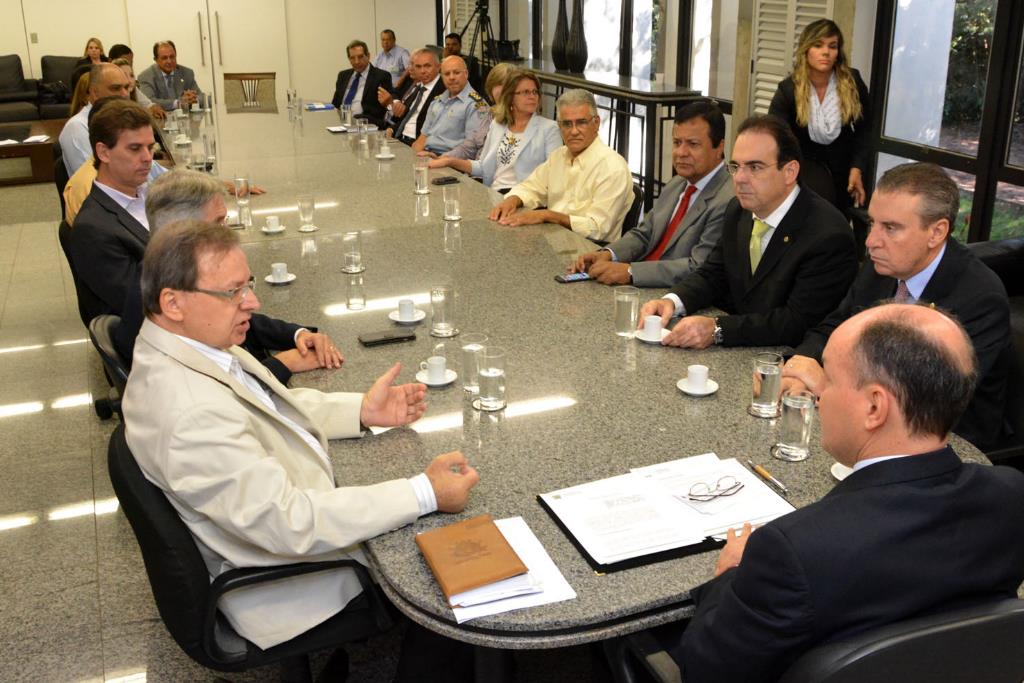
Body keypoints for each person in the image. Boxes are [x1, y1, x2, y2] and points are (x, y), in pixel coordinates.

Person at [123, 219, 480, 651]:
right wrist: (425, 493)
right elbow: (292, 523)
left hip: (280, 524)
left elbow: (263, 406)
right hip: (286, 578)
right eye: (233, 292)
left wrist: (362, 411)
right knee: (459, 578)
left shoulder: (186, 344)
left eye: (248, 285)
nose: (252, 302)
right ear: (173, 302)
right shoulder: (189, 410)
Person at [666, 303, 1024, 682]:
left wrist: (733, 574)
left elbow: (705, 670)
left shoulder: (793, 551)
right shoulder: (1009, 496)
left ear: (874, 407)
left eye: (830, 380)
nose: (819, 397)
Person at [783, 162, 1010, 450]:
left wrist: (827, 385)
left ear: (936, 232)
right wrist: (800, 367)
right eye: (872, 223)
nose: (871, 242)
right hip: (870, 420)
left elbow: (928, 397)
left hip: (947, 444)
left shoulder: (980, 297)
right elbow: (835, 325)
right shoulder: (882, 267)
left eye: (890, 228)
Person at [638, 114, 857, 348]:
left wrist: (718, 329)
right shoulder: (738, 210)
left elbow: (796, 322)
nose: (740, 178)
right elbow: (713, 274)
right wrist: (672, 301)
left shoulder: (828, 235)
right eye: (735, 166)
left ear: (790, 172)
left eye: (755, 167)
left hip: (786, 359)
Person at [111, 168, 343, 383]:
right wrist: (283, 363)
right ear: (182, 229)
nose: (226, 231)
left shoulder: (166, 270)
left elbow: (243, 321)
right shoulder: (164, 298)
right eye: (217, 223)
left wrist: (296, 334)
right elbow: (223, 390)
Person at [570, 100, 733, 286]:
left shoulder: (728, 200)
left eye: (693, 144)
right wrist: (608, 254)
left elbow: (698, 267)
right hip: (641, 282)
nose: (681, 152)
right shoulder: (677, 184)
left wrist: (631, 272)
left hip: (672, 293)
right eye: (677, 142)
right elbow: (644, 234)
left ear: (719, 147)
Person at [489, 88, 633, 244]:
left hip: (590, 250)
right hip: (553, 240)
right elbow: (531, 187)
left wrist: (547, 215)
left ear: (596, 123)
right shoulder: (558, 156)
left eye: (581, 122)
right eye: (567, 124)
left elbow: (597, 228)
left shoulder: (613, 167)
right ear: (559, 125)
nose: (574, 131)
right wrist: (512, 200)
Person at [769, 18, 871, 216]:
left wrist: (857, 168)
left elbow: (865, 130)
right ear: (806, 50)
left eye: (832, 46)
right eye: (818, 45)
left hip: (845, 173)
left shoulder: (852, 82)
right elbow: (776, 136)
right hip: (803, 173)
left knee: (838, 224)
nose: (826, 52)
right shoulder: (789, 89)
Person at [429, 68, 561, 191]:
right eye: (526, 92)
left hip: (525, 195)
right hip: (495, 192)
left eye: (535, 92)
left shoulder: (549, 128)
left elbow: (554, 174)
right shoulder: (498, 125)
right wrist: (449, 161)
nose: (532, 96)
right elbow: (483, 167)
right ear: (510, 97)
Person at [426, 61, 515, 165]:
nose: (503, 90)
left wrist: (448, 161)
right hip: (474, 169)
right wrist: (442, 158)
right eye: (498, 84)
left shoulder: (521, 119)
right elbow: (470, 147)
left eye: (509, 85)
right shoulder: (490, 114)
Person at [410, 56, 491, 157]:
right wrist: (412, 158)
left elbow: (471, 148)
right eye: (447, 74)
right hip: (427, 156)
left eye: (456, 73)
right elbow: (423, 138)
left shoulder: (476, 105)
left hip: (451, 161)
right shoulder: (437, 102)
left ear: (466, 74)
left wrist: (440, 160)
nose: (451, 77)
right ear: (442, 77)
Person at [380, 47, 444, 144]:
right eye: (418, 67)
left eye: (427, 66)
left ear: (438, 67)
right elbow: (407, 118)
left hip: (420, 143)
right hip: (400, 138)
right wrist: (392, 129)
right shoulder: (419, 87)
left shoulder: (444, 89)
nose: (422, 71)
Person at [330, 39, 393, 130]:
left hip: (365, 126)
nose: (356, 61)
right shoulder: (343, 76)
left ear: (368, 56)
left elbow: (390, 102)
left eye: (360, 57)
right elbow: (335, 104)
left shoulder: (381, 76)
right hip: (341, 124)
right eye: (352, 58)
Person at [137, 40, 203, 111]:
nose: (169, 61)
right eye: (164, 58)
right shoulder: (146, 76)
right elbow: (149, 102)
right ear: (156, 60)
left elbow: (202, 97)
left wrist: (193, 99)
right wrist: (178, 103)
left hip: (185, 116)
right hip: (162, 116)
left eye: (172, 57)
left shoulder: (186, 73)